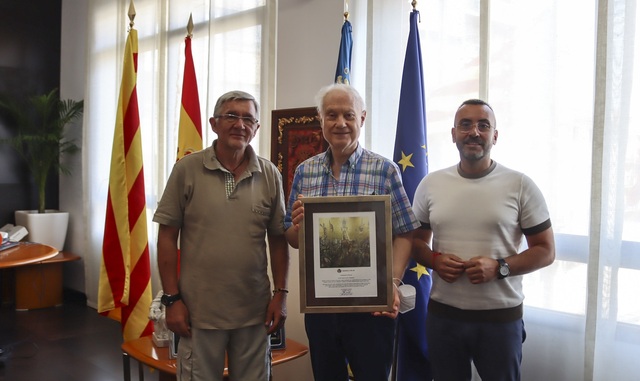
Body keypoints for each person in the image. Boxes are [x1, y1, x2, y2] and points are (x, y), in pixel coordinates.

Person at [412, 99, 556, 381]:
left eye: (483, 125)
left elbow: (546, 250)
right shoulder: (431, 184)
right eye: (465, 125)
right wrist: (435, 261)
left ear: (495, 136)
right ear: (453, 134)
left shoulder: (520, 184)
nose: (474, 132)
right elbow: (416, 243)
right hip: (444, 318)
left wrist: (500, 267)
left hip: (500, 321)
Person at [284, 83, 420, 381]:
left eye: (348, 114)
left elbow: (405, 233)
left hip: (371, 310)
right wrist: (296, 226)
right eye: (331, 115)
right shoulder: (304, 172)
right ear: (320, 120)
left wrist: (392, 284)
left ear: (362, 118)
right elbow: (292, 239)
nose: (340, 123)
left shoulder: (384, 170)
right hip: (321, 309)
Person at [153, 90, 289, 381]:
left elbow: (278, 239)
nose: (240, 124)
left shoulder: (269, 174)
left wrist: (281, 294)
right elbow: (166, 236)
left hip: (255, 313)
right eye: (231, 116)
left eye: (248, 119)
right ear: (214, 124)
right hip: (198, 314)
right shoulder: (187, 170)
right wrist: (171, 299)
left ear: (256, 128)